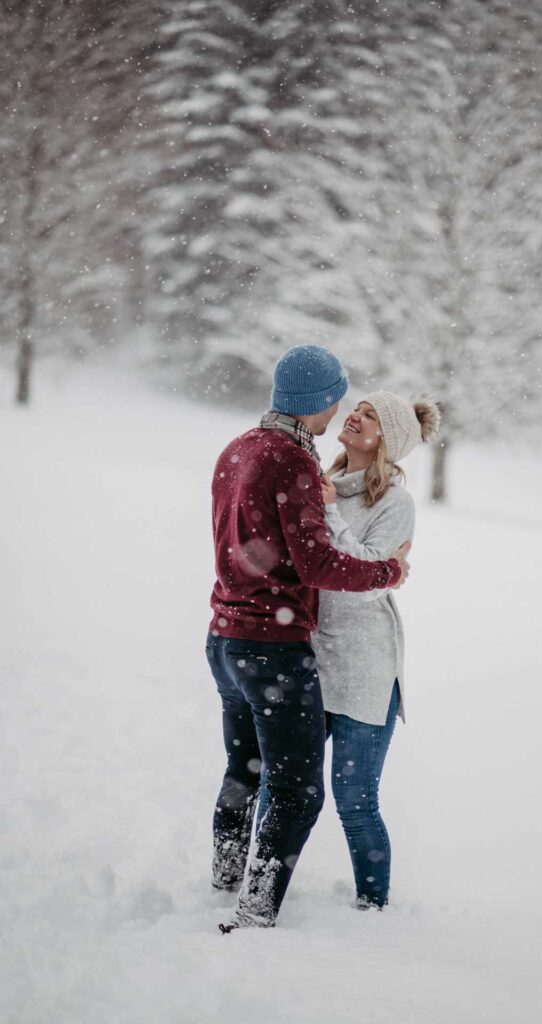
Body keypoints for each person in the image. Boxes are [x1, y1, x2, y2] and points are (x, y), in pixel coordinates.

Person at [205, 346, 411, 932]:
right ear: (321, 400)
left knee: (245, 770)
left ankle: (224, 880)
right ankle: (253, 911)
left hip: (224, 637)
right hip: (270, 647)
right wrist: (389, 570)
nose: (342, 410)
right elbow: (317, 563)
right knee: (297, 790)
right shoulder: (292, 459)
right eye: (339, 398)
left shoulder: (239, 447)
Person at [313, 391, 440, 909]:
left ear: (387, 439)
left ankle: (372, 911)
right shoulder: (323, 482)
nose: (355, 416)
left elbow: (366, 579)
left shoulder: (394, 504)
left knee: (355, 801)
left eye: (370, 416)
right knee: (285, 786)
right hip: (313, 655)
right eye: (357, 408)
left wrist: (329, 512)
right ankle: (259, 886)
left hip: (365, 667)